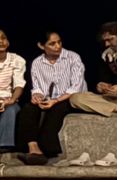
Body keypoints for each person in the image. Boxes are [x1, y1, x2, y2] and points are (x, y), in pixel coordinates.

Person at [13, 31, 84, 164]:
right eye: (52, 44)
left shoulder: (72, 57)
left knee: (56, 110)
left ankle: (49, 149)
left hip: (69, 98)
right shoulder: (37, 63)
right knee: (28, 109)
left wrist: (55, 100)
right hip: (49, 99)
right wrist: (37, 96)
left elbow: (76, 87)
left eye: (59, 42)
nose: (58, 46)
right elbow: (38, 87)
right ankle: (33, 149)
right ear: (41, 46)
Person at [69, 23, 117, 117]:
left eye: (110, 39)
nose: (107, 44)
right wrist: (101, 86)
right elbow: (105, 80)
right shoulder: (107, 55)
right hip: (115, 98)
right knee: (75, 98)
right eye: (105, 41)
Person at [0, 29, 23, 151]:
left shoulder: (16, 60)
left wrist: (12, 100)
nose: (1, 41)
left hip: (8, 100)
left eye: (3, 38)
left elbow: (19, 85)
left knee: (10, 110)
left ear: (8, 42)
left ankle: (4, 146)